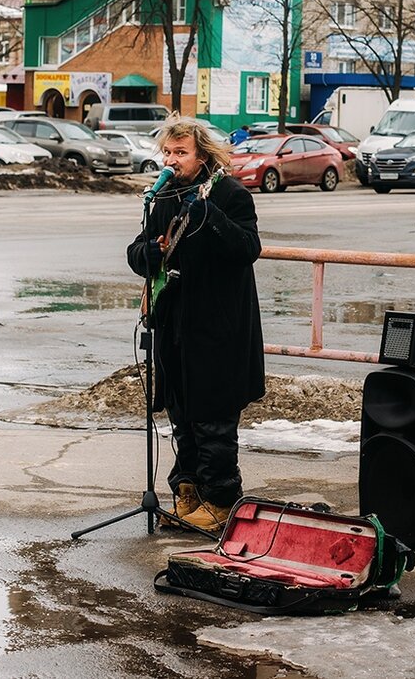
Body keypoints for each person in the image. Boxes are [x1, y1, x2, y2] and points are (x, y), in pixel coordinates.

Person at [127, 117, 265, 532]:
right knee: (182, 416)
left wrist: (210, 215)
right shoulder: (164, 195)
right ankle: (187, 492)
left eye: (180, 153)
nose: (171, 160)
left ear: (202, 155)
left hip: (218, 327)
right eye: (167, 152)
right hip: (175, 325)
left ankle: (222, 500)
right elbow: (137, 252)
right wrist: (148, 254)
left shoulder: (230, 194)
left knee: (213, 419)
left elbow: (248, 249)